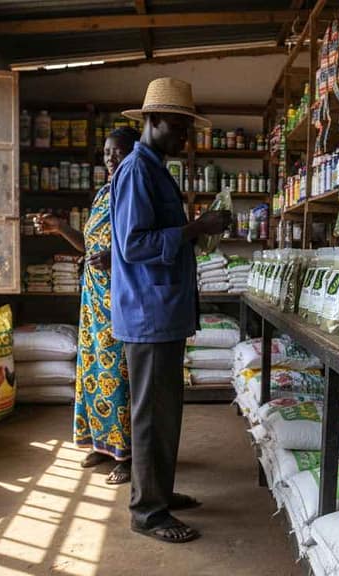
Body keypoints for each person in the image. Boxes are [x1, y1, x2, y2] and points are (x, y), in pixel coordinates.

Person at [112, 77, 230, 544]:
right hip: (148, 314)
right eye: (179, 127)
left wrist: (197, 232)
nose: (185, 137)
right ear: (153, 120)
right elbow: (134, 244)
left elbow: (158, 237)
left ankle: (157, 493)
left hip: (161, 312)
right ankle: (147, 512)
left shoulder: (156, 169)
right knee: (151, 416)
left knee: (165, 413)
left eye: (188, 129)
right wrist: (195, 227)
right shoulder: (136, 171)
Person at [37, 127, 141, 485]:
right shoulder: (102, 193)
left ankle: (127, 454)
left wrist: (115, 259)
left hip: (122, 298)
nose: (111, 158)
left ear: (134, 153)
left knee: (119, 375)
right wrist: (61, 228)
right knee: (94, 371)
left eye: (119, 151)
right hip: (93, 299)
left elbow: (140, 246)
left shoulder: (135, 192)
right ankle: (103, 444)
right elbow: (89, 245)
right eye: (107, 152)